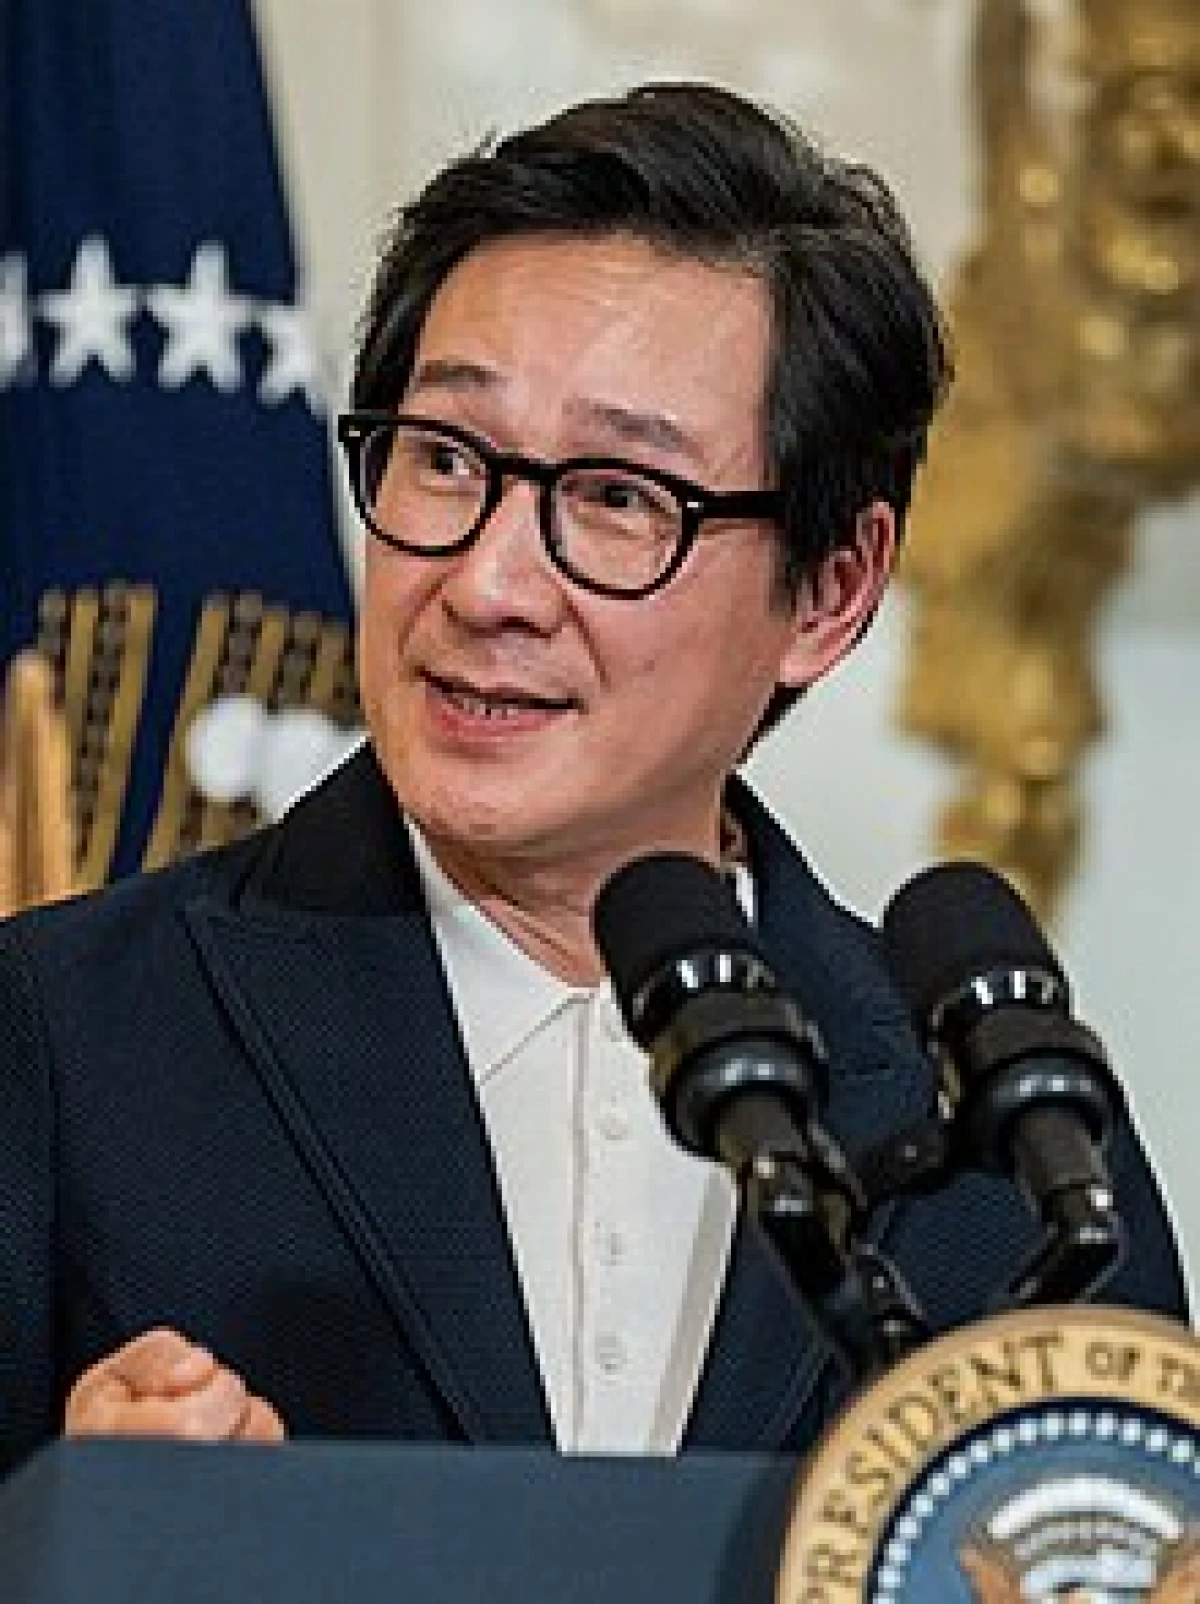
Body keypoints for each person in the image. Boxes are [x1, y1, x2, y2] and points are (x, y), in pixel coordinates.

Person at [0, 82, 1187, 1480]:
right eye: (446, 460)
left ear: (831, 590)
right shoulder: (62, 1041)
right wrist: (74, 1530)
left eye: (620, 497)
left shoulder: (999, 1143)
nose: (487, 584)